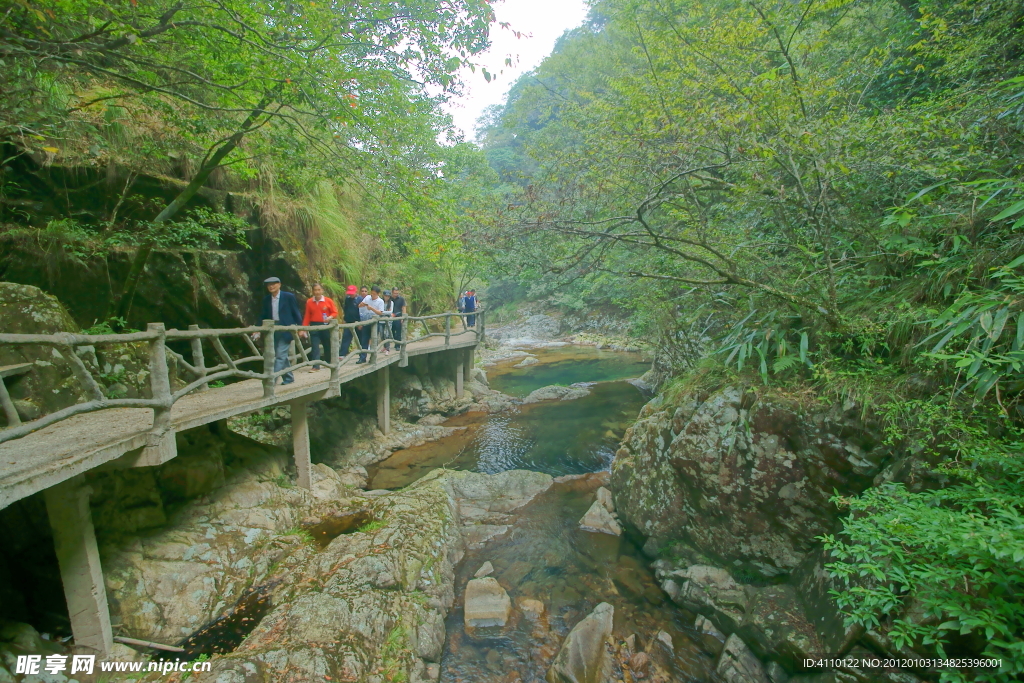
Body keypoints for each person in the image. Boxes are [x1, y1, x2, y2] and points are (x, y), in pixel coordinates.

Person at [254, 276, 304, 385]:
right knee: (281, 355)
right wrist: (257, 329)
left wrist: (301, 328)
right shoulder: (266, 299)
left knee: (280, 355)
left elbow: (296, 313)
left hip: (286, 329)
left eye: (274, 284)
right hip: (273, 330)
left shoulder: (288, 297)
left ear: (279, 284)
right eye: (269, 285)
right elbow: (262, 315)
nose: (271, 286)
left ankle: (271, 380)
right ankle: (289, 377)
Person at [302, 283, 337, 371]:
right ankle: (316, 365)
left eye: (319, 290)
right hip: (314, 325)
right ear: (312, 291)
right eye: (315, 290)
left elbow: (335, 312)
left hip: (325, 325)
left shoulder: (328, 301)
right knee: (314, 345)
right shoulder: (309, 302)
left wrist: (330, 317)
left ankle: (328, 361)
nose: (317, 292)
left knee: (327, 344)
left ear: (322, 290)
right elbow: (307, 316)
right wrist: (304, 328)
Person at [356, 285, 384, 363]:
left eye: (374, 294)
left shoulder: (380, 301)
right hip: (366, 321)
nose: (372, 295)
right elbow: (360, 305)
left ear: (378, 294)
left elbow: (380, 313)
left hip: (375, 323)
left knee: (374, 340)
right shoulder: (367, 297)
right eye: (372, 293)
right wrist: (362, 305)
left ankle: (373, 357)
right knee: (364, 339)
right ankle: (362, 358)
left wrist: (371, 308)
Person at [340, 285, 361, 357]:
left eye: (352, 293)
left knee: (360, 338)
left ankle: (362, 353)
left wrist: (360, 322)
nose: (351, 295)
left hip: (357, 322)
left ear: (356, 291)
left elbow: (362, 311)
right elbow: (346, 309)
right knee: (346, 337)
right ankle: (342, 354)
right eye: (350, 293)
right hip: (348, 321)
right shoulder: (347, 299)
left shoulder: (360, 299)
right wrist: (345, 319)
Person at [381, 290, 395, 355]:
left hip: (388, 320)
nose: (387, 297)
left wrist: (382, 312)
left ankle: (388, 349)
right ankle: (384, 346)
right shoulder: (380, 302)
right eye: (385, 296)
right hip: (381, 320)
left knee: (387, 334)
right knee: (381, 334)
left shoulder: (391, 303)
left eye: (388, 296)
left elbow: (390, 312)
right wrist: (382, 312)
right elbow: (379, 310)